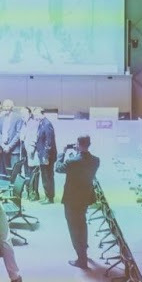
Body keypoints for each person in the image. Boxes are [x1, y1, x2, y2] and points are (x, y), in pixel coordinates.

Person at [60, 135, 100, 269]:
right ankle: (84, 252)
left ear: (77, 144)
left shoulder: (72, 161)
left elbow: (58, 168)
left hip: (71, 199)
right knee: (82, 224)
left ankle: (81, 259)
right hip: (85, 197)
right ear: (89, 144)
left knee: (74, 228)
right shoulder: (96, 160)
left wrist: (62, 153)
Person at [32, 108, 57, 202]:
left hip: (47, 156)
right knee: (45, 176)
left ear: (42, 113)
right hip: (43, 155)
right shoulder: (41, 123)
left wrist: (46, 156)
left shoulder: (47, 124)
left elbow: (49, 142)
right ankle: (47, 196)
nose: (35, 117)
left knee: (48, 176)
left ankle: (50, 198)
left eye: (36, 115)